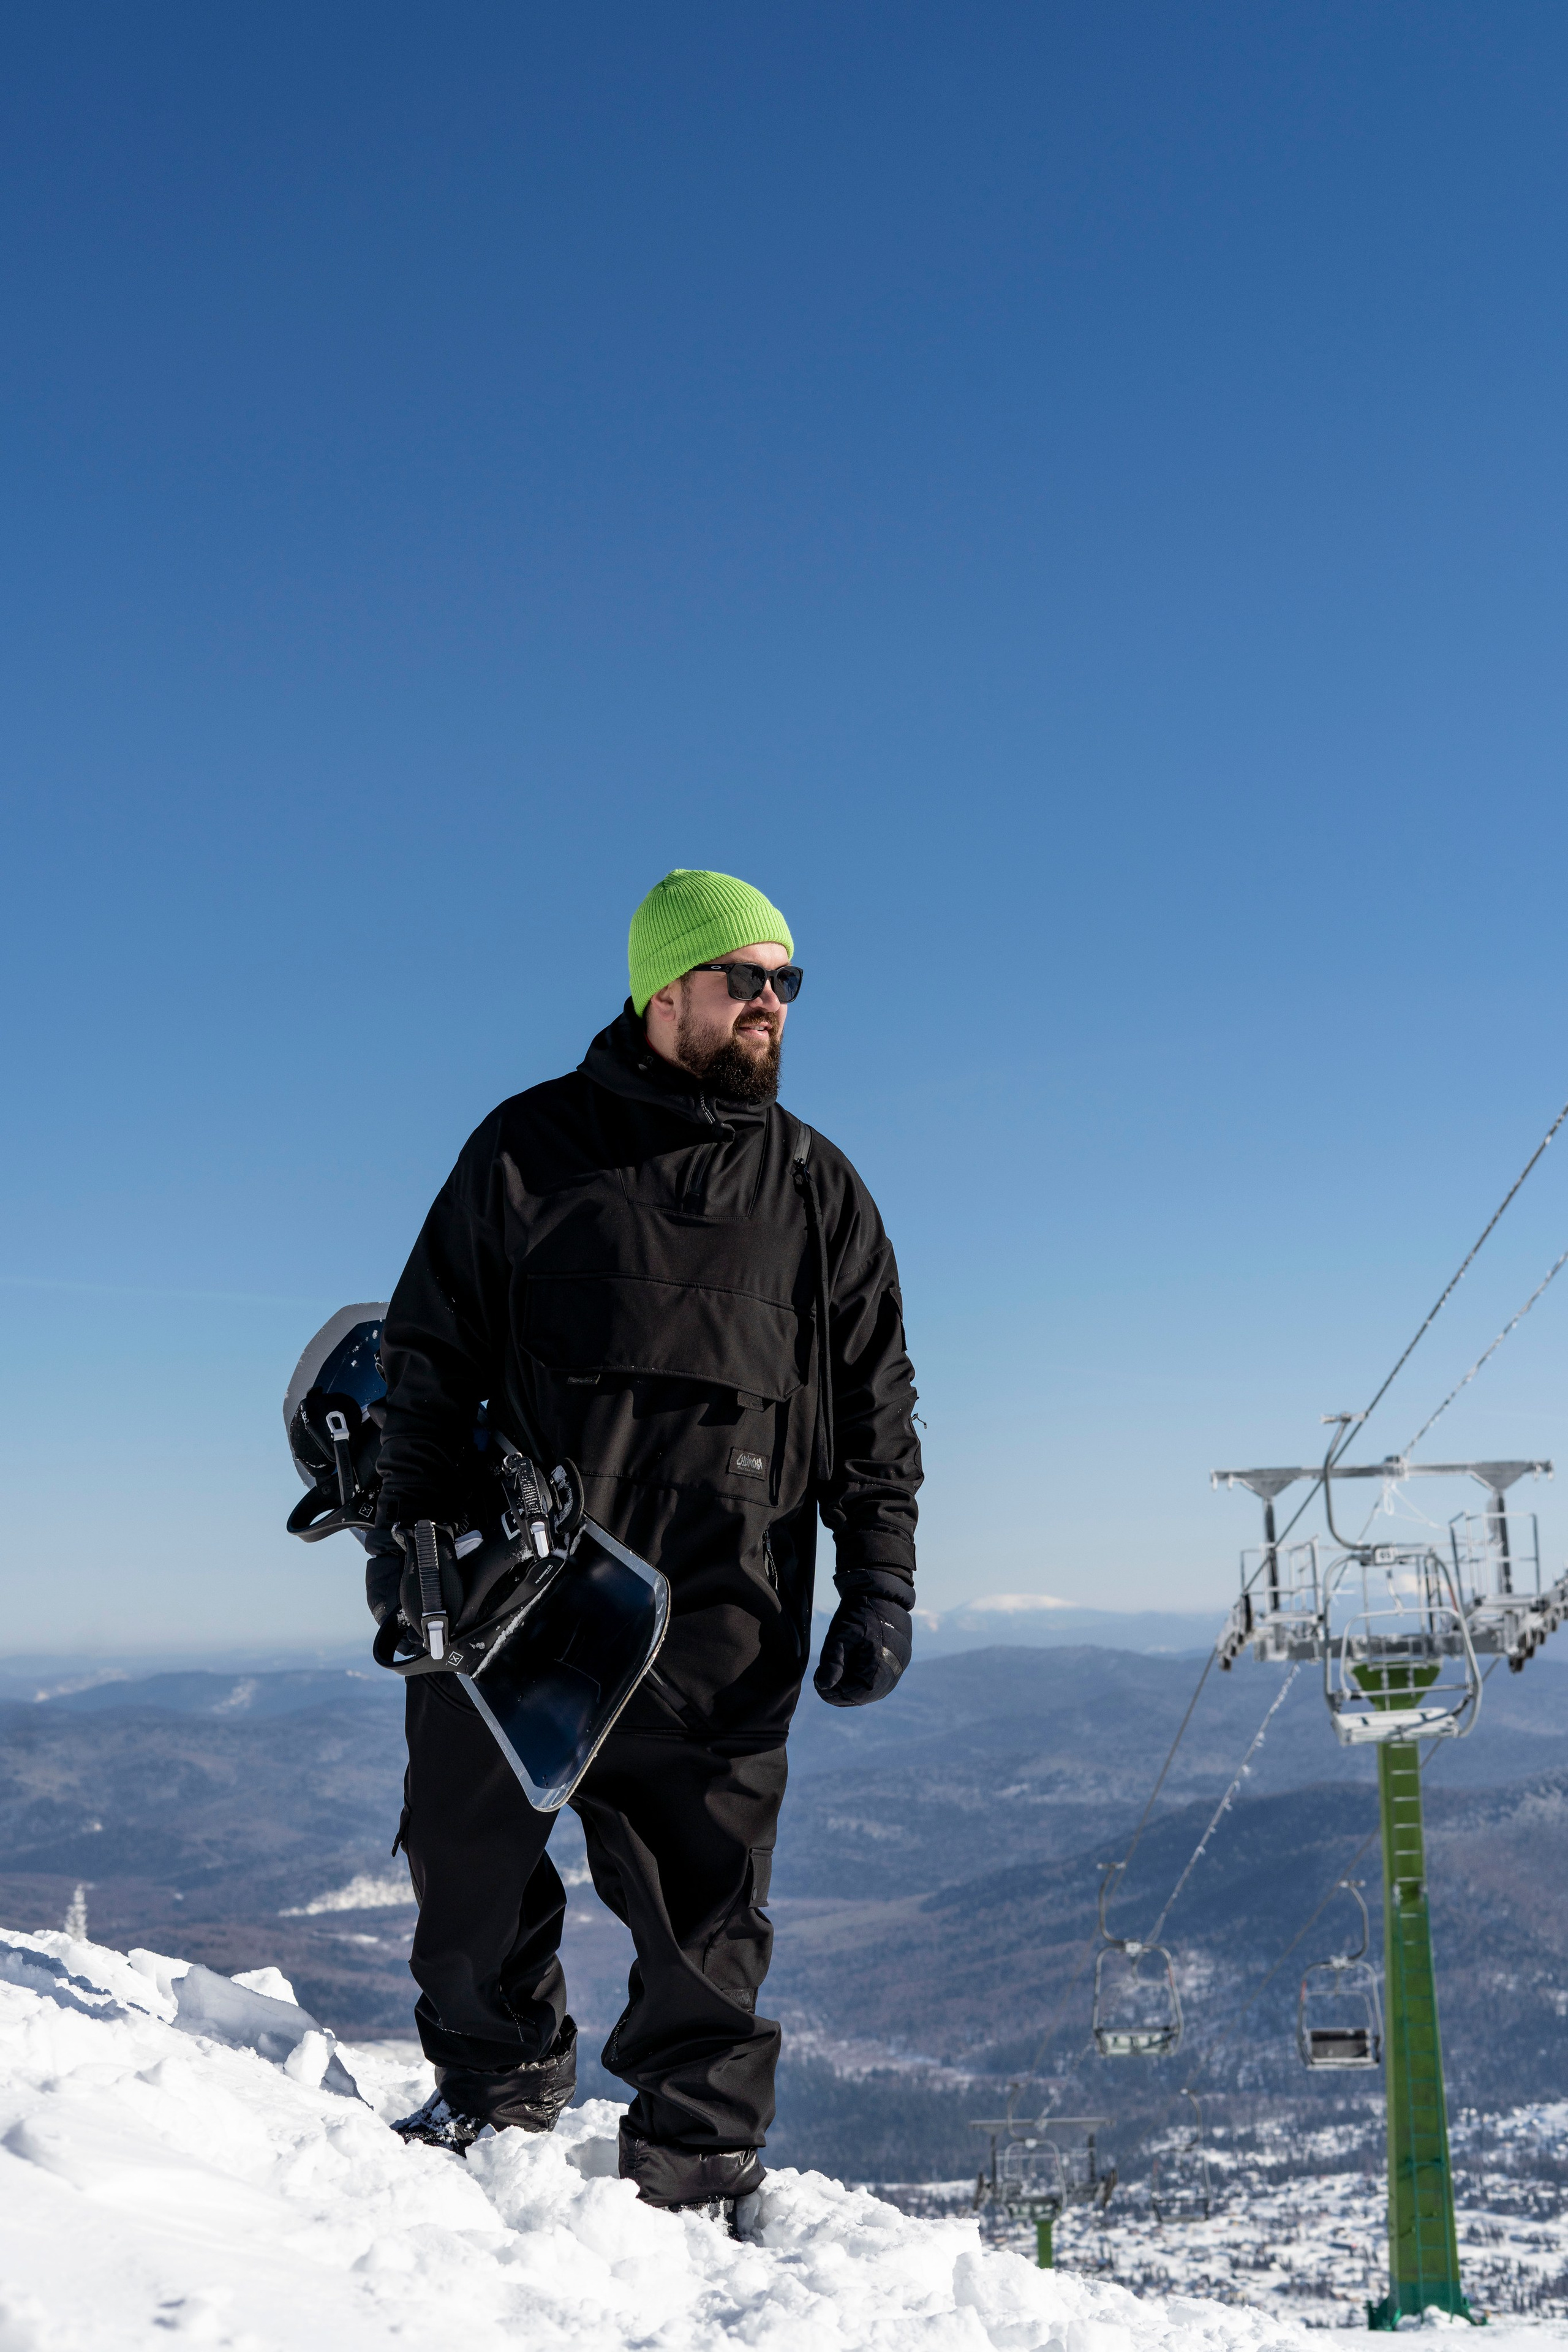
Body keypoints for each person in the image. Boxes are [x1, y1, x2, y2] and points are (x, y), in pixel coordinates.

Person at [373, 867, 922, 2218]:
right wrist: (412, 1540)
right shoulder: (523, 1151)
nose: (772, 1007)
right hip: (522, 1599)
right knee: (463, 1868)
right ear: (664, 986)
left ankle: (695, 2160)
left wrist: (880, 1585)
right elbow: (427, 1360)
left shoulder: (815, 1191)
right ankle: (498, 2088)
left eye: (788, 984)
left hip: (723, 1610)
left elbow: (876, 1408)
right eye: (749, 979)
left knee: (707, 1926)